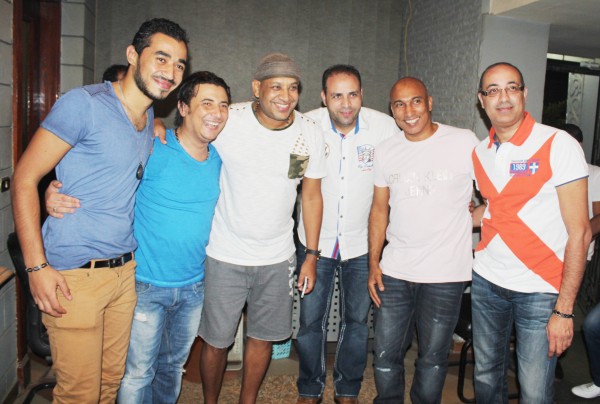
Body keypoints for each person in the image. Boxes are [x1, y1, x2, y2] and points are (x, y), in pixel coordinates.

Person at [11, 18, 188, 403]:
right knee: (80, 395)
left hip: (123, 273)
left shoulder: (147, 121)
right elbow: (25, 176)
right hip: (76, 275)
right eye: (161, 58)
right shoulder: (84, 104)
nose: (171, 71)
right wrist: (36, 267)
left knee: (110, 386)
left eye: (179, 64)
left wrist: (158, 123)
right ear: (132, 55)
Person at [198, 53, 326, 404]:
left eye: (293, 87)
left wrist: (311, 255)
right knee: (216, 340)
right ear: (257, 88)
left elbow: (311, 196)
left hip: (277, 257)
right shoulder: (230, 120)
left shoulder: (309, 132)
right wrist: (157, 128)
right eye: (276, 87)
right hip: (225, 253)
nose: (286, 96)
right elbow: (189, 134)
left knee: (263, 338)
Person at [471, 62, 591, 403]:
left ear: (524, 93)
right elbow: (496, 211)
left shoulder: (558, 143)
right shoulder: (479, 152)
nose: (503, 97)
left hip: (541, 289)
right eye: (493, 90)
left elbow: (581, 232)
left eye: (512, 87)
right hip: (486, 282)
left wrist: (564, 310)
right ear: (482, 100)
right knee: (485, 379)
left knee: (535, 391)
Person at [367, 77, 479, 403]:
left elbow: (497, 190)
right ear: (392, 110)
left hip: (446, 274)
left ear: (429, 102)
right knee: (385, 354)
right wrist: (374, 263)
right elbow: (379, 210)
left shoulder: (463, 141)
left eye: (416, 101)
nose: (409, 111)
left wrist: (476, 213)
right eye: (399, 105)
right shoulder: (386, 150)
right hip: (395, 271)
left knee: (432, 358)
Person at [295, 64, 399, 404]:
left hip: (362, 244)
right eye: (337, 95)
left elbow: (409, 159)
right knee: (310, 321)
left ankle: (348, 388)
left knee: (356, 321)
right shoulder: (305, 125)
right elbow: (292, 177)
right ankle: (310, 387)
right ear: (323, 97)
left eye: (352, 94)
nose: (345, 104)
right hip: (316, 243)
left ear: (361, 95)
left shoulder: (383, 128)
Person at [562, 124, 600, 399]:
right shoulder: (552, 170)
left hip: (577, 252)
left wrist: (580, 236)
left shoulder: (594, 173)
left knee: (564, 309)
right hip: (546, 250)